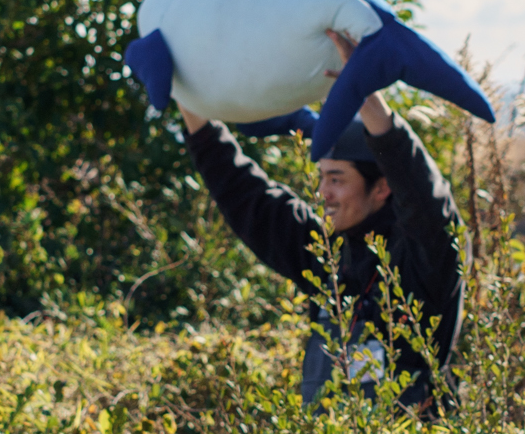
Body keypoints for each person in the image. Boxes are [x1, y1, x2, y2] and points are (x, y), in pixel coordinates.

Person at [182, 33, 465, 408]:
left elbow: (427, 202)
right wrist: (186, 94)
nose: (322, 193)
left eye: (337, 180)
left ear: (382, 187)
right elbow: (246, 195)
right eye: (321, 178)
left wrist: (366, 96)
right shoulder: (327, 253)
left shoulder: (423, 258)